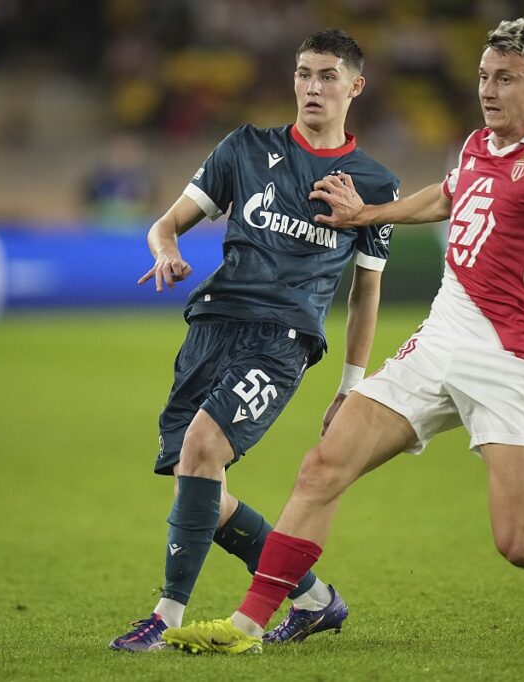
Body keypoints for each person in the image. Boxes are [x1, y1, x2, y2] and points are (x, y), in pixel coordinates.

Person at [162, 17, 524, 655]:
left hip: (509, 359)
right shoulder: (478, 145)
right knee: (322, 466)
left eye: (506, 80)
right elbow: (446, 198)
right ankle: (246, 627)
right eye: (483, 76)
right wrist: (367, 215)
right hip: (439, 339)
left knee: (520, 543)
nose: (489, 90)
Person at [108, 29, 400, 652]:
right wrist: (167, 253)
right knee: (198, 481)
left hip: (283, 340)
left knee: (201, 448)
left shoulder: (374, 184)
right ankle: (314, 597)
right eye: (302, 74)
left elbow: (365, 292)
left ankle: (165, 618)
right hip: (211, 326)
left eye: (326, 75)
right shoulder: (244, 148)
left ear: (355, 86)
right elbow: (166, 224)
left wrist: (353, 386)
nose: (311, 87)